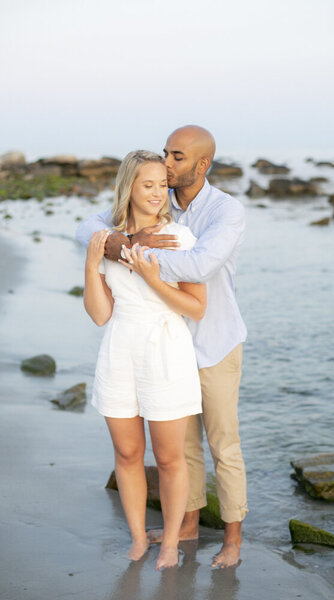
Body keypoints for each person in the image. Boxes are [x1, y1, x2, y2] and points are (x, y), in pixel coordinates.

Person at [77, 125, 248, 568]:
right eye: (162, 161)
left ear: (201, 164)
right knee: (179, 450)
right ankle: (186, 528)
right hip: (139, 347)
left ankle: (232, 539)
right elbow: (89, 229)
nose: (166, 167)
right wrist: (117, 245)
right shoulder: (159, 199)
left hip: (212, 341)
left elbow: (199, 266)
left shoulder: (225, 211)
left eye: (175, 158)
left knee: (221, 444)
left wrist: (136, 256)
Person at [83, 150, 206, 570]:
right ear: (129, 188)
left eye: (161, 185)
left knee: (170, 458)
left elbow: (196, 307)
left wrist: (153, 279)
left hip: (166, 350)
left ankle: (170, 543)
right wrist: (91, 262)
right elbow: (100, 314)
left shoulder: (180, 238)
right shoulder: (107, 237)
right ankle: (138, 539)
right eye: (147, 185)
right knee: (127, 454)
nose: (157, 193)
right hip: (119, 349)